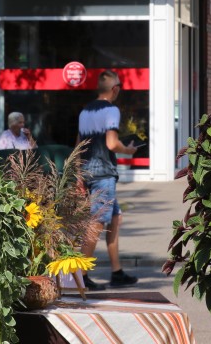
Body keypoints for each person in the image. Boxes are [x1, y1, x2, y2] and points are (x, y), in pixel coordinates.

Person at [77, 70, 139, 290]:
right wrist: (128, 150)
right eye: (119, 86)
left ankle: (117, 272)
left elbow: (78, 146)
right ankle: (81, 275)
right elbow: (112, 143)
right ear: (115, 89)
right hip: (104, 173)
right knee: (97, 222)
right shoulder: (111, 110)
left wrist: (78, 175)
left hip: (88, 171)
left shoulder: (85, 111)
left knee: (115, 219)